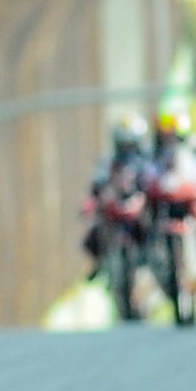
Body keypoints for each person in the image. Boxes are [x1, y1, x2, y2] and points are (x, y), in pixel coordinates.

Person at [80, 115, 155, 273]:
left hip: (140, 206)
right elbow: (98, 182)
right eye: (124, 145)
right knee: (94, 235)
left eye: (131, 145)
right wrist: (93, 201)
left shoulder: (147, 161)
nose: (127, 151)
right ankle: (101, 265)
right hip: (115, 207)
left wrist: (145, 196)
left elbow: (153, 180)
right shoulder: (109, 162)